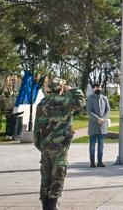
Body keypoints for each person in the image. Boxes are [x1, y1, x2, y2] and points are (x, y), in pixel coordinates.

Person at [34, 76, 86, 210]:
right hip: (60, 147)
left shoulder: (43, 103)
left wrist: (39, 145)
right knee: (58, 175)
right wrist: (71, 89)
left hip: (45, 146)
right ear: (61, 88)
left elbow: (36, 128)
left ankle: (45, 205)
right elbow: (81, 100)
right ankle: (52, 204)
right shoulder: (66, 102)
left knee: (45, 176)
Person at [86, 82, 110, 168]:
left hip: (102, 126)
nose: (98, 89)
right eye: (96, 87)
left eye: (99, 87)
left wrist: (103, 118)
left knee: (101, 145)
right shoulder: (90, 98)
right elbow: (89, 111)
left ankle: (100, 162)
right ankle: (92, 162)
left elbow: (108, 110)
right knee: (92, 146)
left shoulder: (104, 98)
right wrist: (97, 119)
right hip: (93, 126)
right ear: (93, 89)